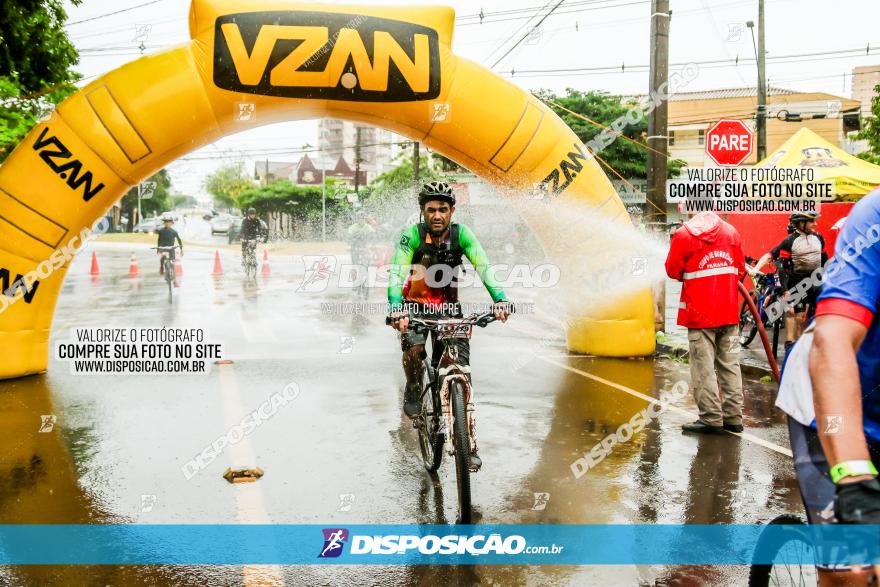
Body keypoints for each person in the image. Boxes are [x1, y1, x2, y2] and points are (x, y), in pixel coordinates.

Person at [776, 189, 880, 584]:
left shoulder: (815, 239)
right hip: (828, 402)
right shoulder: (874, 216)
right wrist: (854, 477)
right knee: (851, 569)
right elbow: (833, 340)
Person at [387, 182, 511, 467]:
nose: (437, 215)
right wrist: (396, 308)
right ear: (423, 211)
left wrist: (500, 299)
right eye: (431, 210)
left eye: (443, 209)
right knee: (416, 351)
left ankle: (469, 442)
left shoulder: (462, 234)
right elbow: (396, 272)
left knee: (461, 371)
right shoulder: (411, 235)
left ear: (452, 210)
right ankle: (414, 385)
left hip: (449, 309)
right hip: (414, 306)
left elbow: (484, 266)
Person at [665, 211, 747, 435]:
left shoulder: (684, 235)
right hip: (730, 313)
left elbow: (672, 270)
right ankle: (733, 417)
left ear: (691, 211)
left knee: (704, 367)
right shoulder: (731, 232)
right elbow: (740, 269)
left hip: (700, 316)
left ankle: (711, 418)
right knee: (731, 364)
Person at [751, 211, 828, 353]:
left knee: (811, 314)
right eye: (812, 221)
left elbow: (825, 261)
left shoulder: (819, 238)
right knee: (795, 314)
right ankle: (793, 346)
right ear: (801, 223)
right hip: (795, 281)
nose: (816, 224)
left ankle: (804, 346)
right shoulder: (789, 241)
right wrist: (785, 290)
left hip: (814, 281)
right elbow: (777, 263)